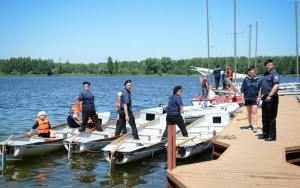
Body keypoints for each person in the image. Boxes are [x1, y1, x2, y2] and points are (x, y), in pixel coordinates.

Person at [257, 59, 280, 141]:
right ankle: (265, 133)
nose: (267, 66)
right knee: (264, 117)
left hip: (272, 97)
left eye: (269, 65)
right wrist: (259, 96)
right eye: (266, 65)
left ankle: (272, 136)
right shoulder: (265, 74)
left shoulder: (274, 74)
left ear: (273, 65)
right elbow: (261, 86)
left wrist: (270, 95)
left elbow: (276, 85)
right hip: (264, 97)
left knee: (271, 117)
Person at [115, 80, 141, 144]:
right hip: (126, 111)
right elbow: (125, 105)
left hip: (121, 112)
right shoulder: (126, 93)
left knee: (119, 126)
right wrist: (126, 115)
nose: (129, 86)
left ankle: (115, 139)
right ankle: (137, 141)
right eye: (128, 85)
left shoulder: (124, 92)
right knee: (133, 126)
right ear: (125, 86)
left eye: (130, 85)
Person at [240, 66, 261, 132]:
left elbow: (260, 89)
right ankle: (250, 124)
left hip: (255, 98)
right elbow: (242, 90)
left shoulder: (258, 79)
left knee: (254, 112)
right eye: (250, 70)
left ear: (255, 71)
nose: (252, 72)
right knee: (249, 112)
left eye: (253, 70)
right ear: (249, 72)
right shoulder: (245, 79)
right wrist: (242, 98)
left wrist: (259, 97)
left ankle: (255, 126)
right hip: (247, 98)